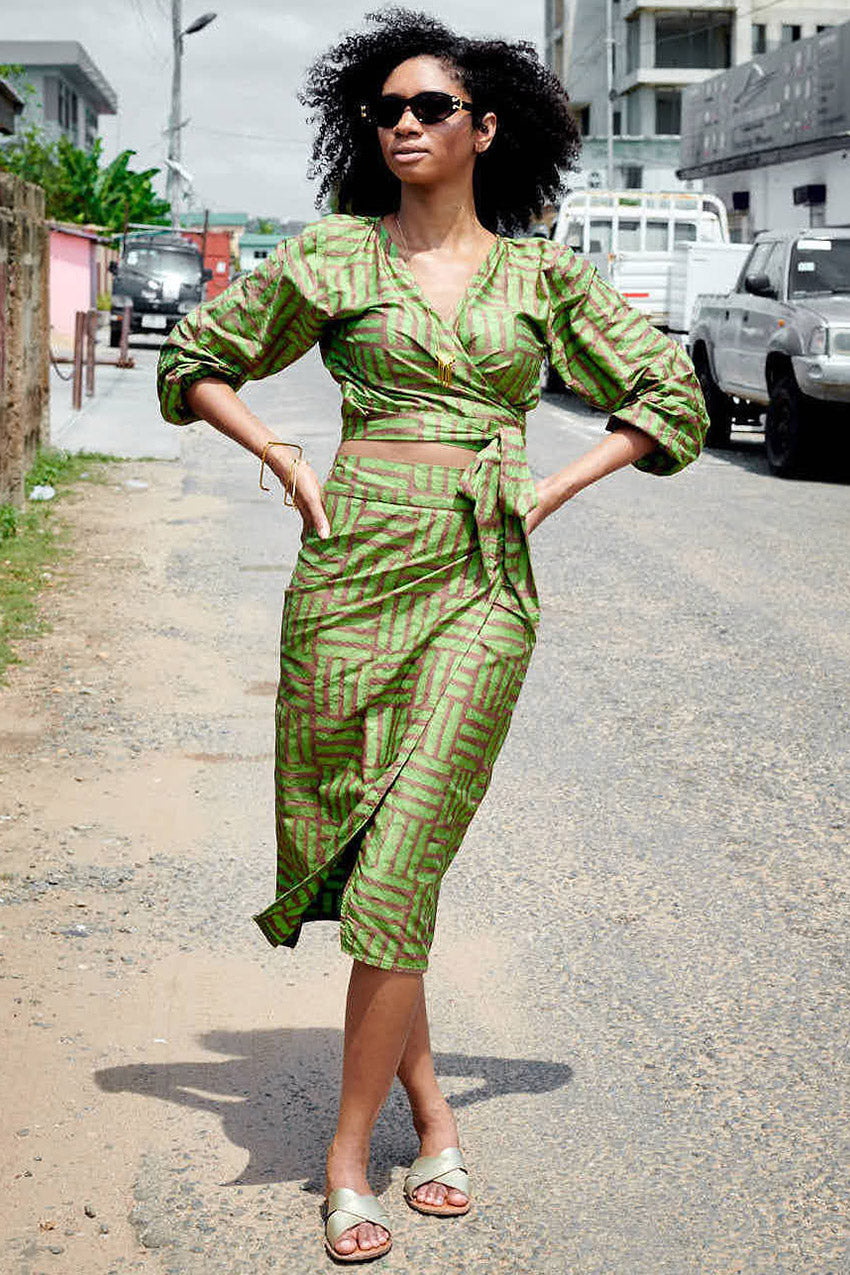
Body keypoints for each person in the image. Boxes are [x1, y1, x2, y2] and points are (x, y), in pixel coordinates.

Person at [157, 5, 708, 1263]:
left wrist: (550, 488)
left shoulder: (541, 278)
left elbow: (666, 393)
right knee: (368, 867)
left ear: (486, 128)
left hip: (480, 586)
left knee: (403, 868)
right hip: (349, 578)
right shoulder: (332, 260)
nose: (404, 125)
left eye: (430, 109)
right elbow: (194, 358)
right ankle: (433, 1116)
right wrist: (283, 451)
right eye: (386, 109)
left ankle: (346, 1164)